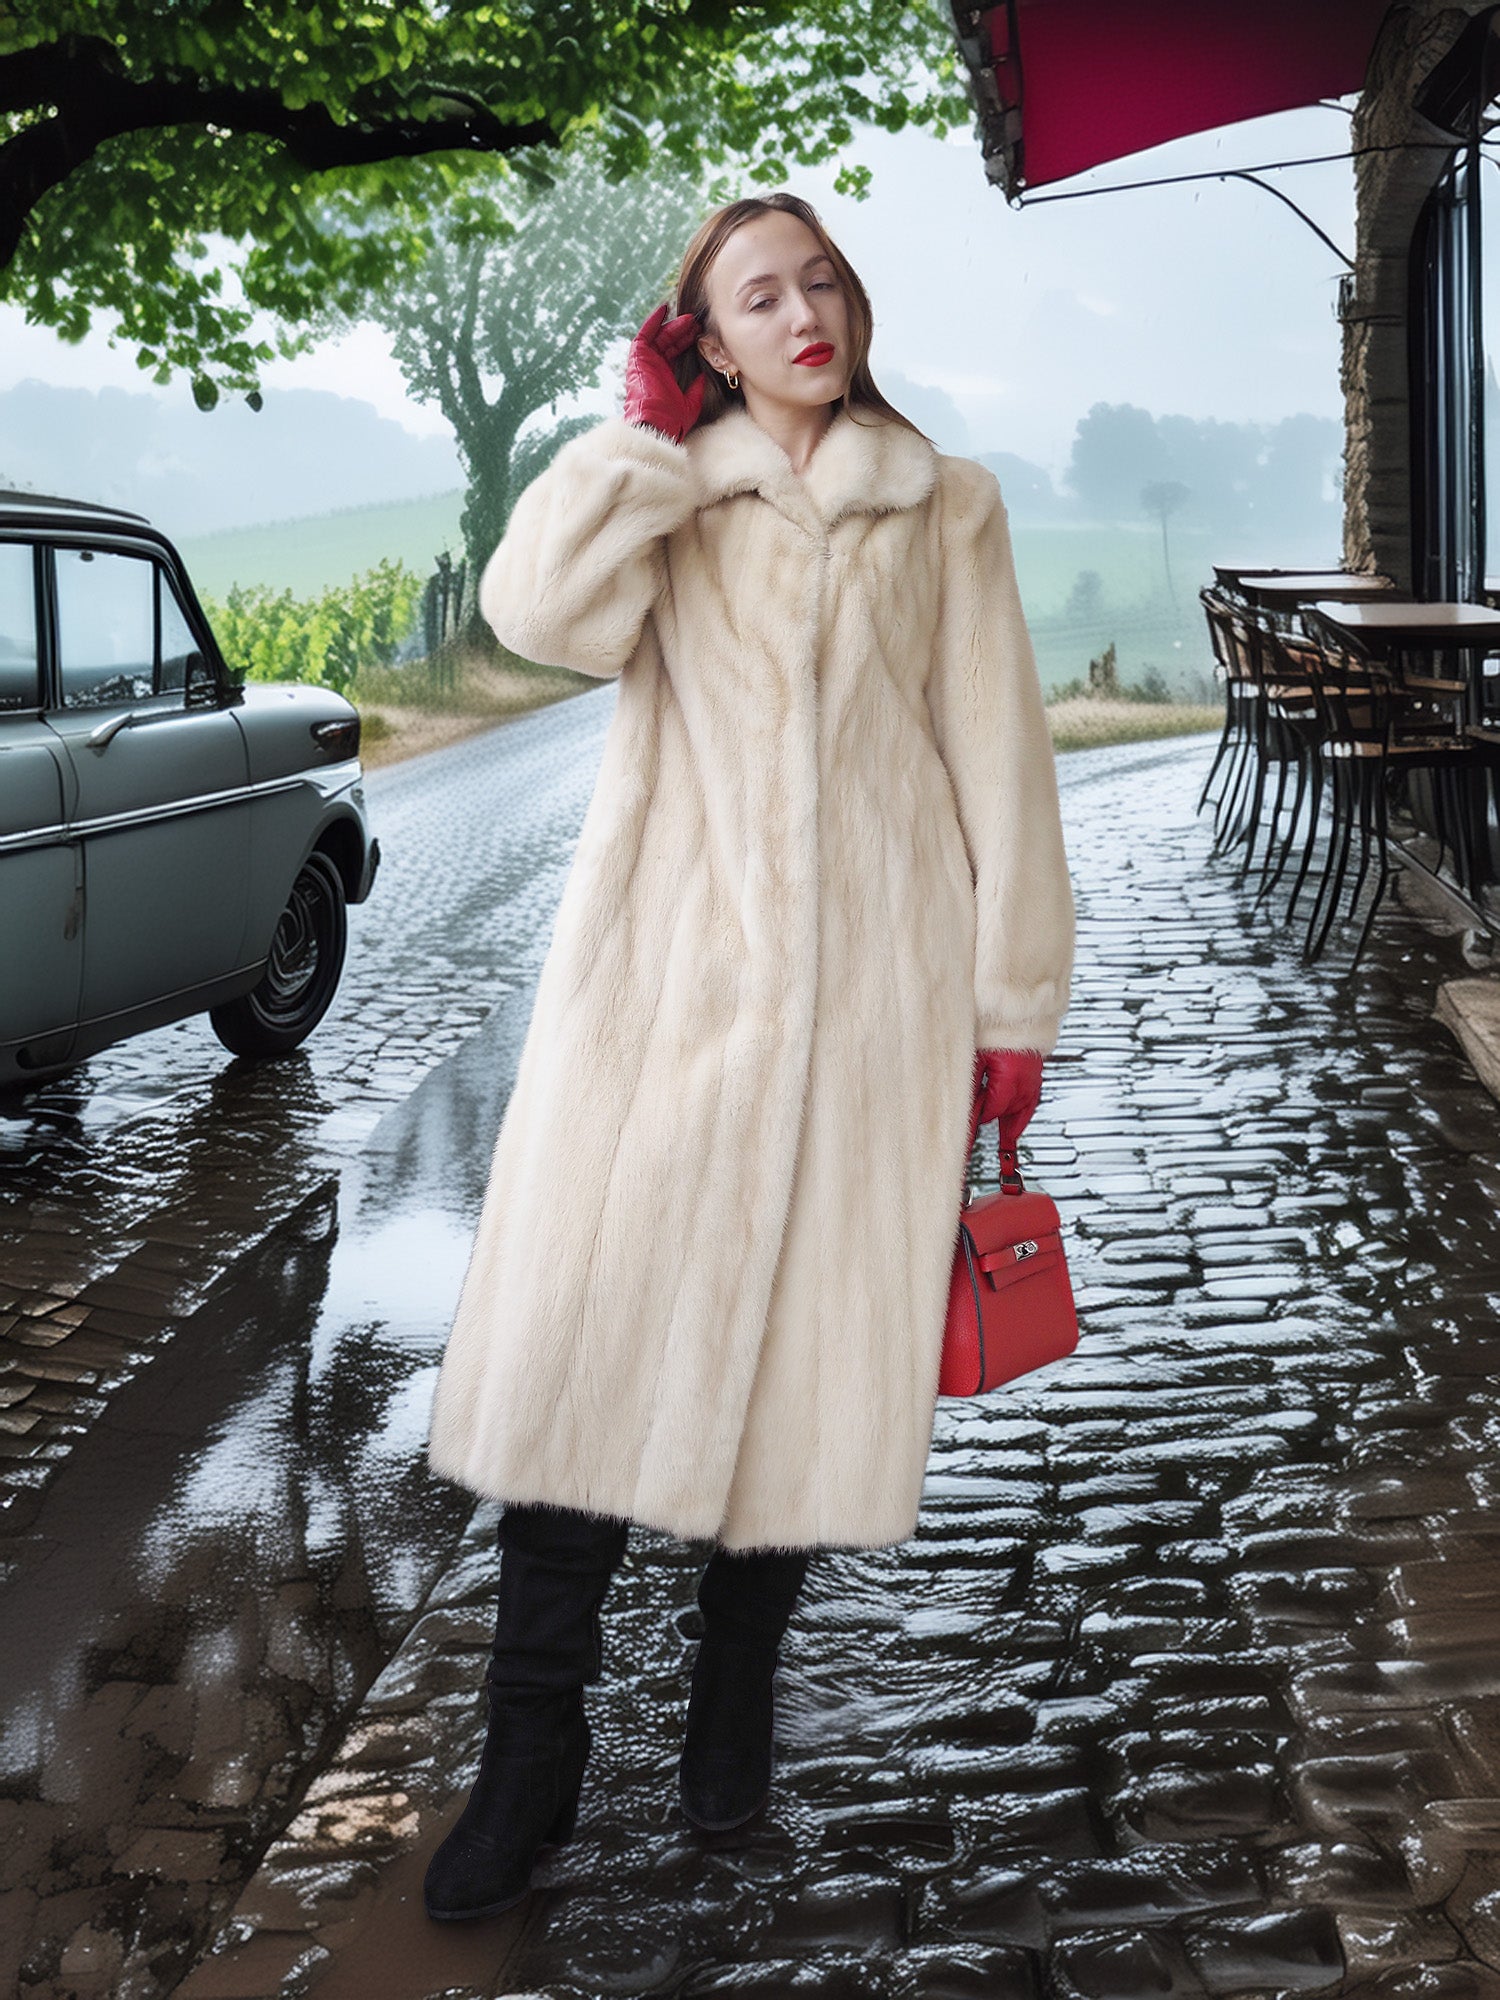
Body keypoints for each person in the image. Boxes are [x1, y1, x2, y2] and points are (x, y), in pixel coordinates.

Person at [421, 192, 1076, 1921]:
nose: (806, 315)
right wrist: (643, 438)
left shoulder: (948, 504)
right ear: (704, 336)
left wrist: (1009, 1014)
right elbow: (537, 609)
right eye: (759, 297)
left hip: (876, 1005)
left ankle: (731, 1733)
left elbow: (998, 756)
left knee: (801, 1374)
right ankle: (528, 1763)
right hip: (662, 1006)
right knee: (582, 1360)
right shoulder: (674, 493)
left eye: (824, 283)